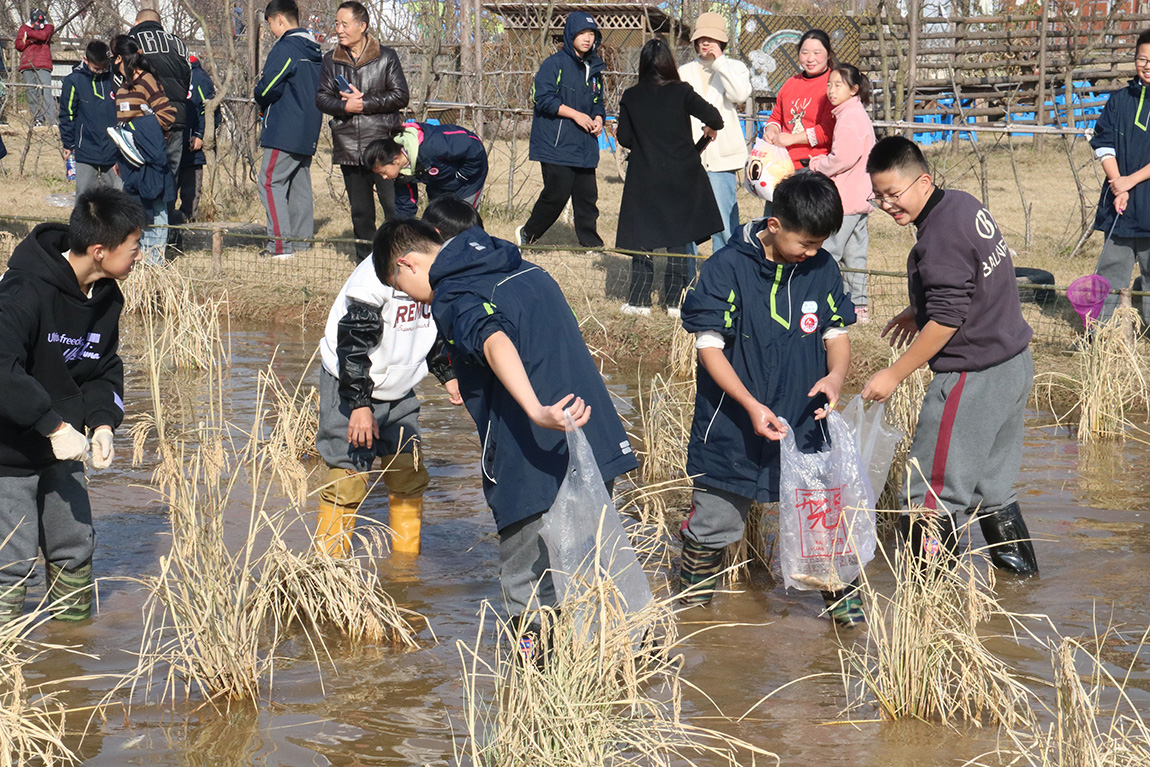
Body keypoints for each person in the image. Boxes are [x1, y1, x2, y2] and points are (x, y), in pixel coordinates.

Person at [384, 220, 638, 628]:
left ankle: (530, 679)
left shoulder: (452, 292)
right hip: (594, 435)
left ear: (407, 264)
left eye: (399, 286)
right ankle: (596, 671)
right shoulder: (524, 268)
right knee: (584, 568)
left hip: (533, 451)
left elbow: (493, 338)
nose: (408, 298)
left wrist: (536, 410)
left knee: (526, 583)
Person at [678, 172, 858, 624]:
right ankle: (693, 622)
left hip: (802, 420)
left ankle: (848, 627)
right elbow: (708, 348)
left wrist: (835, 377)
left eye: (821, 243)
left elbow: (836, 334)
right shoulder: (726, 267)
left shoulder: (822, 269)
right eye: (807, 243)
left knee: (824, 527)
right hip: (732, 424)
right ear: (774, 225)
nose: (813, 252)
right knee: (715, 522)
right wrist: (751, 405)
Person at [860, 136, 1037, 577]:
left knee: (929, 495)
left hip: (971, 378)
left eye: (893, 194)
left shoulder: (938, 239)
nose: (886, 205)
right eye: (877, 195)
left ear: (923, 181)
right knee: (993, 489)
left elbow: (948, 320)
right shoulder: (961, 205)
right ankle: (1021, 588)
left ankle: (930, 612)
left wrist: (895, 373)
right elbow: (970, 279)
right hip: (1013, 364)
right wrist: (920, 308)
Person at [0, 187, 147, 624]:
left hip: (65, 446)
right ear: (100, 250)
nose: (140, 256)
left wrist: (103, 423)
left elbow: (104, 367)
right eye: (134, 247)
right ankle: (12, 677)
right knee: (11, 562)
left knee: (76, 547)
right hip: (8, 451)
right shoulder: (23, 291)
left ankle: (71, 655)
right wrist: (52, 425)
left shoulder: (107, 299)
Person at [315, 221, 458, 557]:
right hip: (351, 386)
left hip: (399, 390)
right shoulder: (373, 283)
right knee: (347, 479)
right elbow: (351, 348)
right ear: (403, 266)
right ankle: (329, 571)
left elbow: (433, 333)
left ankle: (405, 569)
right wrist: (359, 406)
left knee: (409, 473)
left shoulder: (437, 271)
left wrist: (448, 374)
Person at [615, 37, 723, 318]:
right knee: (678, 236)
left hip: (644, 175)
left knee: (642, 238)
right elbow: (715, 117)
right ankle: (675, 302)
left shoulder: (631, 96)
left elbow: (624, 137)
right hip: (681, 174)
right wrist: (706, 135)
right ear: (669, 64)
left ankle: (639, 302)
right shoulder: (681, 91)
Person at [316, 0, 410, 262]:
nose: (339, 30)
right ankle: (365, 263)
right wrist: (345, 106)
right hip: (349, 147)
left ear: (362, 26)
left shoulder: (386, 57)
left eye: (344, 24)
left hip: (383, 146)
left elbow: (400, 95)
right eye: (337, 24)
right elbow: (322, 99)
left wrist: (364, 103)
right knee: (360, 213)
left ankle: (401, 258)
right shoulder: (330, 60)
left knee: (394, 208)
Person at [516, 13, 606, 250]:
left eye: (591, 34)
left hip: (585, 143)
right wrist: (576, 114)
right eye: (581, 33)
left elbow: (598, 101)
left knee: (587, 198)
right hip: (556, 143)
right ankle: (528, 234)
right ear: (570, 35)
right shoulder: (554, 64)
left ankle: (591, 245)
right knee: (556, 194)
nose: (587, 39)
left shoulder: (594, 68)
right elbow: (542, 98)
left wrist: (598, 118)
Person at [678, 12, 752, 254]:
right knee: (687, 223)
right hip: (690, 157)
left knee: (724, 224)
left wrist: (720, 62)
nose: (706, 43)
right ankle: (686, 281)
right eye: (701, 38)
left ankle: (723, 280)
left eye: (712, 38)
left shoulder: (735, 68)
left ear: (722, 42)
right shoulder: (684, 71)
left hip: (722, 159)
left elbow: (739, 95)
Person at [254, 0, 323, 258]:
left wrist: (257, 94)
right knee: (299, 185)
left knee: (270, 182)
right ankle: (302, 245)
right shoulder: (313, 47)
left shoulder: (287, 47)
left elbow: (269, 86)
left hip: (285, 129)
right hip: (308, 128)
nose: (271, 29)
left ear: (280, 19)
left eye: (270, 23)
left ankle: (280, 247)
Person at [1090, 30, 1150, 325]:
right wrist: (1118, 184)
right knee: (1111, 270)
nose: (1147, 65)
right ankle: (1101, 331)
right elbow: (1104, 143)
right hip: (1121, 204)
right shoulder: (1119, 100)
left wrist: (1130, 181)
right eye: (1142, 59)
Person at [810, 64, 876, 323]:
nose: (831, 90)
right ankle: (858, 309)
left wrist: (817, 164)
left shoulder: (849, 117)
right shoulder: (854, 113)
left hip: (846, 200)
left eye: (838, 85)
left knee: (828, 253)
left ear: (853, 89)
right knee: (855, 257)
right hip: (861, 197)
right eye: (829, 84)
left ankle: (816, 301)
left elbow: (843, 158)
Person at [107, 34, 176, 265]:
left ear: (119, 58)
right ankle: (140, 258)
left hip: (149, 160)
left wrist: (140, 133)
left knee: (155, 206)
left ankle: (155, 262)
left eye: (112, 56)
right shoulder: (122, 86)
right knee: (136, 210)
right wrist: (121, 156)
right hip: (129, 162)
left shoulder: (146, 80)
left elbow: (167, 115)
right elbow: (122, 125)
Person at [761, 29, 835, 215]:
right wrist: (771, 130)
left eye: (817, 53)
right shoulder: (790, 84)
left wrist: (792, 139)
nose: (810, 58)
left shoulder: (834, 84)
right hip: (781, 166)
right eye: (805, 52)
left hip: (813, 167)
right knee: (774, 222)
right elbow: (776, 116)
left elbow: (828, 130)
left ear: (828, 54)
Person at [363, 122, 487, 219]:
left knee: (460, 221)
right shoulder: (401, 173)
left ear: (395, 160)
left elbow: (474, 147)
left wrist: (461, 176)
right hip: (439, 182)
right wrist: (400, 231)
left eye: (383, 172)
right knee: (437, 221)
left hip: (469, 180)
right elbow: (405, 206)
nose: (383, 177)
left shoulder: (432, 145)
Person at [128, 9, 192, 178]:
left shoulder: (130, 43)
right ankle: (167, 205)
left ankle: (144, 206)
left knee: (142, 173)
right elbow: (188, 79)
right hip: (175, 116)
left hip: (141, 119)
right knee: (170, 174)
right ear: (161, 25)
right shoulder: (178, 44)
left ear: (136, 23)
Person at [60, 40, 122, 195]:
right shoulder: (73, 81)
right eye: (96, 68)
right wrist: (69, 144)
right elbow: (67, 114)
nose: (100, 72)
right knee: (85, 196)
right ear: (85, 60)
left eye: (103, 68)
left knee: (117, 195)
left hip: (114, 149)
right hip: (85, 149)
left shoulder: (115, 79)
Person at [176, 54, 219, 224]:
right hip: (175, 144)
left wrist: (200, 134)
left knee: (190, 192)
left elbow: (208, 109)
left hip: (193, 148)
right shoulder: (173, 74)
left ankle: (189, 223)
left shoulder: (200, 78)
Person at [16, 8, 55, 127]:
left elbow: (43, 36)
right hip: (27, 64)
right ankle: (37, 119)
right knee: (31, 93)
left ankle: (52, 120)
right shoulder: (23, 27)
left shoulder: (49, 27)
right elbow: (19, 45)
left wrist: (28, 36)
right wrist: (30, 39)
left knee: (46, 92)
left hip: (43, 63)